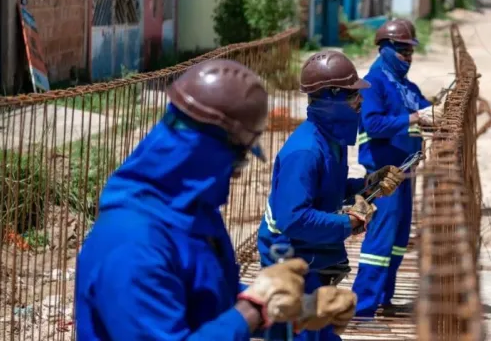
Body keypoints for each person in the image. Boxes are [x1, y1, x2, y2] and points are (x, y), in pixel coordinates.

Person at [75, 59, 357, 341]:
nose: (234, 175)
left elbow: (209, 300)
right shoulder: (133, 243)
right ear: (212, 152)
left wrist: (293, 310)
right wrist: (254, 309)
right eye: (238, 160)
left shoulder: (193, 215)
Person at [257, 50, 405, 341]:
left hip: (311, 257)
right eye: (352, 96)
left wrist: (367, 185)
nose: (359, 103)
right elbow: (294, 219)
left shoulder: (331, 141)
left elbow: (328, 191)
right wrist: (349, 222)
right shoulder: (305, 151)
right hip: (288, 261)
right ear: (331, 97)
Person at [351, 18, 441, 319]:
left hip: (404, 174)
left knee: (399, 240)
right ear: (385, 49)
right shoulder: (374, 83)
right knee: (380, 240)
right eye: (403, 50)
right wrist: (416, 118)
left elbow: (425, 107)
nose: (409, 56)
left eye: (411, 51)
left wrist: (440, 109)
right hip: (383, 175)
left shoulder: (404, 85)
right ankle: (363, 309)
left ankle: (383, 298)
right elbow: (374, 124)